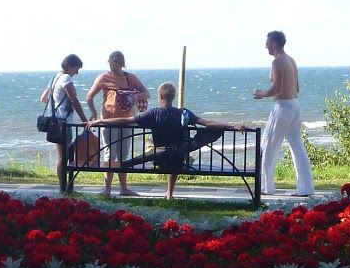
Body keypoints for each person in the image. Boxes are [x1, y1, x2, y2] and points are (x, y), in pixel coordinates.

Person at [92, 81, 240, 199]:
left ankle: (113, 181)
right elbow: (208, 123)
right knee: (179, 149)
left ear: (160, 96)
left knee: (152, 154)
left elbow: (126, 121)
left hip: (159, 160)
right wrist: (233, 125)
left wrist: (101, 121)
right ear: (173, 97)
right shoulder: (184, 114)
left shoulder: (153, 113)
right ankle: (169, 193)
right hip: (177, 160)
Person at [252, 29, 314, 196]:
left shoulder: (277, 62)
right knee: (297, 146)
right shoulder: (291, 60)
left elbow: (277, 88)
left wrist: (262, 94)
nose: (265, 46)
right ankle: (306, 187)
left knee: (268, 145)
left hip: (283, 107)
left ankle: (266, 187)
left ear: (274, 44)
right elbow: (297, 87)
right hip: (295, 105)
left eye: (267, 43)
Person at [85, 51, 150, 196]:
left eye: (115, 62)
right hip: (108, 121)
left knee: (123, 154)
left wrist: (132, 95)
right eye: (111, 62)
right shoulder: (103, 77)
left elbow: (146, 93)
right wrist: (94, 114)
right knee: (109, 153)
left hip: (127, 121)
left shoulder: (130, 77)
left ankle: (123, 188)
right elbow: (89, 97)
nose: (112, 65)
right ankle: (107, 188)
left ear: (121, 63)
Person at [41, 54, 92, 192]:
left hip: (55, 121)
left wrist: (57, 101)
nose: (77, 72)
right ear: (70, 65)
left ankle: (64, 186)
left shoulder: (54, 77)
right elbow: (74, 100)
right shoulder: (66, 78)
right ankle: (64, 187)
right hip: (63, 122)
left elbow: (43, 98)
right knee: (64, 157)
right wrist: (84, 120)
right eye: (76, 68)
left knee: (63, 155)